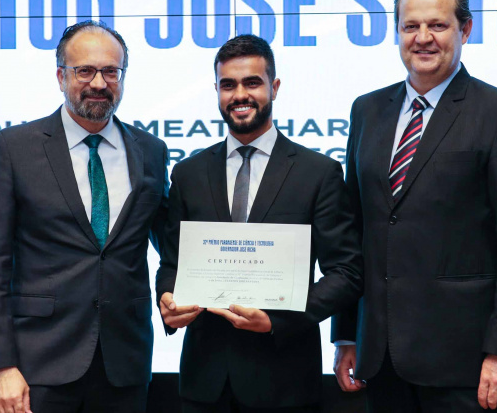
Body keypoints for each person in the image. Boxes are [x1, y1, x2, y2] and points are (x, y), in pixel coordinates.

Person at [332, 0, 497, 412]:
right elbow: (355, 233)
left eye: (438, 25)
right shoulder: (367, 110)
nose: (423, 38)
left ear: (465, 29)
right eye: (411, 26)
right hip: (382, 357)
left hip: (467, 366)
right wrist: (348, 333)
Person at [0, 20, 169, 413]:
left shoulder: (151, 150)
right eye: (84, 70)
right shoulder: (16, 148)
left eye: (111, 71)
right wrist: (1, 366)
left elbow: (171, 244)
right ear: (61, 76)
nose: (99, 82)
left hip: (124, 367)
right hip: (37, 367)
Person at [156, 34, 363, 413]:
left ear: (274, 86)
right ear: (217, 90)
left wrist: (278, 320)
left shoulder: (318, 174)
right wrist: (167, 301)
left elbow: (346, 272)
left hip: (285, 382)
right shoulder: (188, 173)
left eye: (252, 82)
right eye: (228, 84)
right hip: (204, 383)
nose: (240, 95)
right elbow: (172, 263)